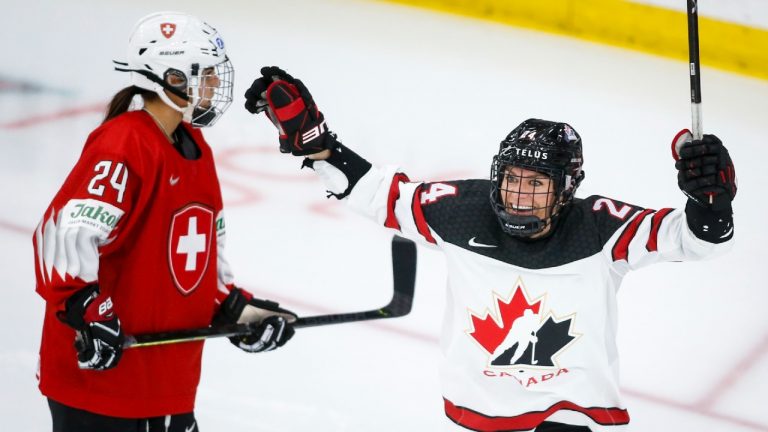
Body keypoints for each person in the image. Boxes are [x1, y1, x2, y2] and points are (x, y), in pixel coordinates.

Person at [244, 67, 737, 432]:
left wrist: (710, 201)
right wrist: (315, 142)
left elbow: (697, 240)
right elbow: (378, 195)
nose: (518, 197)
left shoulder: (602, 229)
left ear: (567, 188)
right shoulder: (462, 210)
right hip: (478, 415)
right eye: (512, 180)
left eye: (537, 184)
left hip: (565, 413)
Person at [32, 13, 297, 432]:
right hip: (103, 388)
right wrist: (85, 307)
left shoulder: (198, 149)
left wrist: (237, 311)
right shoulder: (125, 143)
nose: (213, 85)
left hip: (167, 383)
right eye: (205, 74)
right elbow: (62, 235)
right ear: (170, 76)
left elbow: (199, 264)